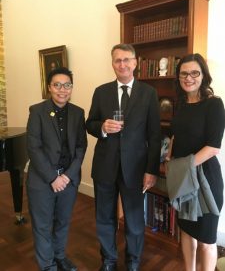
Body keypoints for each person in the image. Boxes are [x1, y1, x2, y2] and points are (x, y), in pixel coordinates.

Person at [86, 43, 161, 271]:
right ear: (112, 64)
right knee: (104, 218)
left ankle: (133, 262)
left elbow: (154, 135)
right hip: (105, 167)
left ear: (135, 62)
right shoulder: (101, 91)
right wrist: (103, 127)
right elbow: (90, 124)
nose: (122, 64)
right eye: (118, 60)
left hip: (136, 169)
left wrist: (151, 170)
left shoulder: (149, 93)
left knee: (135, 221)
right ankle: (108, 261)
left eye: (127, 59)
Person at [166, 53, 225, 271]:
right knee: (187, 230)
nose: (188, 78)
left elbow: (213, 147)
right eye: (184, 73)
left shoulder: (214, 104)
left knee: (207, 240)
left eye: (194, 73)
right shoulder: (180, 104)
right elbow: (175, 136)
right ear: (178, 77)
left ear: (203, 75)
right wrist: (169, 157)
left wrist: (181, 167)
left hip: (206, 180)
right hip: (184, 179)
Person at [26, 67, 87, 271]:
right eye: (57, 85)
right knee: (43, 226)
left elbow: (81, 147)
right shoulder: (37, 111)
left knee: (62, 222)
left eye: (67, 85)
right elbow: (33, 148)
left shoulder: (78, 113)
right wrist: (53, 178)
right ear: (49, 87)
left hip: (68, 180)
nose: (63, 90)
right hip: (43, 180)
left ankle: (59, 257)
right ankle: (48, 266)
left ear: (71, 88)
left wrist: (67, 176)